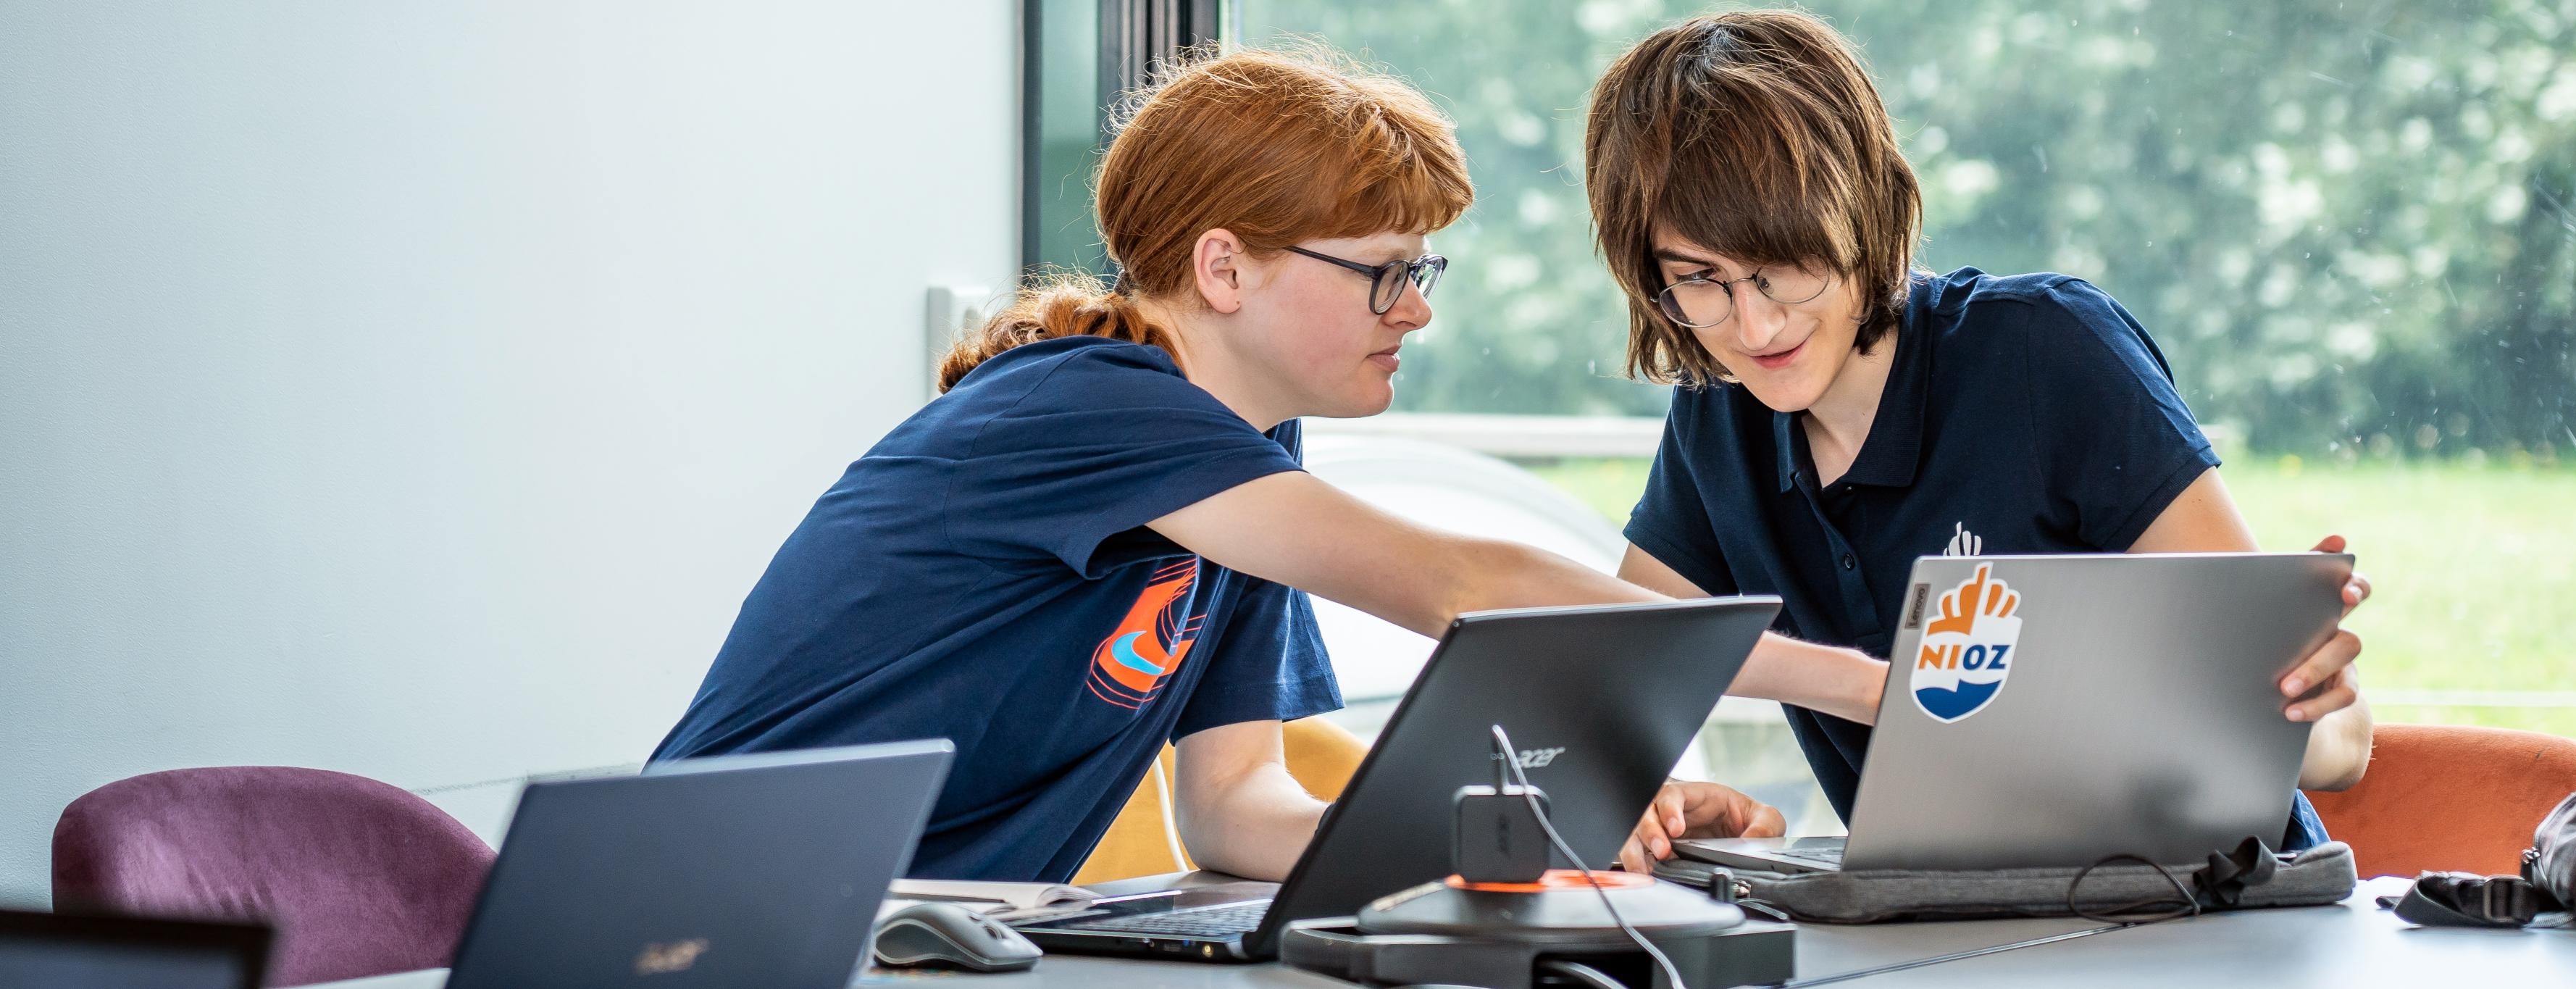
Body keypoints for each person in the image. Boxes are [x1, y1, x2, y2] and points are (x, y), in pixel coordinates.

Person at [649, 46, 1869, 884]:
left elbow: (1237, 810)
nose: (1416, 312)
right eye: (1384, 272)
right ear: (1224, 269)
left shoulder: (1242, 471)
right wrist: (1865, 685)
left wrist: (1536, 829)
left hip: (919, 938)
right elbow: (1456, 584)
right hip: (717, 921)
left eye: (1422, 273)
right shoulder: (1086, 408)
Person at [1587, 10, 2378, 871]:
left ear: (1865, 208)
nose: (1754, 322)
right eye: (1698, 281)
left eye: (1784, 266)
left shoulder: (2049, 352)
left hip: (2211, 915)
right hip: (1948, 930)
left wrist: (2311, 715)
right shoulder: (1718, 414)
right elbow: (1605, 682)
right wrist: (1642, 794)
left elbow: (2341, 742)